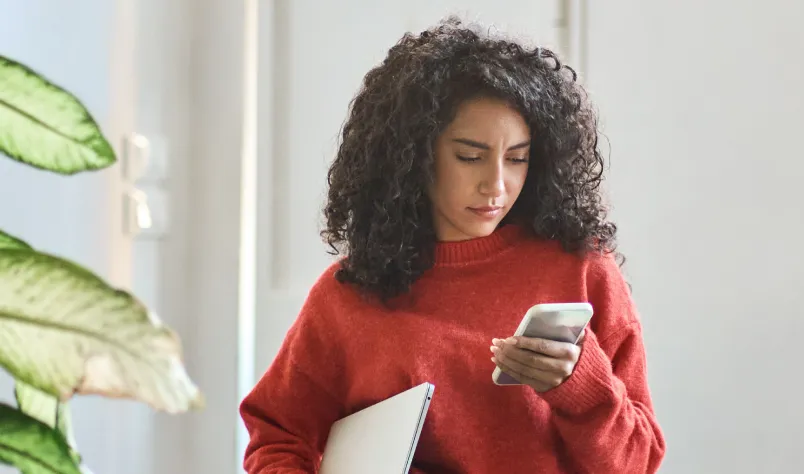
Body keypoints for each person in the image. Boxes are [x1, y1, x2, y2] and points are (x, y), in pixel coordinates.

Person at [239, 17, 666, 473]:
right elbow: (277, 440)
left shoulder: (582, 272)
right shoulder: (348, 295)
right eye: (470, 157)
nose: (496, 185)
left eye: (518, 158)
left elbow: (638, 463)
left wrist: (579, 386)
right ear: (414, 155)